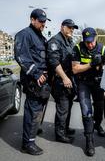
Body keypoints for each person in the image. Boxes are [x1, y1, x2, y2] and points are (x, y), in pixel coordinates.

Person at [14, 8, 51, 155]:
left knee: (39, 109)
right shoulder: (24, 34)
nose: (43, 24)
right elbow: (21, 56)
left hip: (43, 79)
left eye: (44, 21)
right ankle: (27, 144)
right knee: (33, 109)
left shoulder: (40, 37)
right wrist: (36, 73)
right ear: (32, 20)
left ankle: (33, 131)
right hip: (33, 80)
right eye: (41, 21)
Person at [72, 27, 105, 156]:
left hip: (98, 83)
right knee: (86, 112)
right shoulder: (77, 48)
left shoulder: (103, 49)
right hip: (83, 83)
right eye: (87, 42)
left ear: (96, 38)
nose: (90, 44)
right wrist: (91, 64)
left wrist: (102, 64)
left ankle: (97, 125)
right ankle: (89, 141)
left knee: (99, 108)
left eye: (92, 41)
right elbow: (75, 69)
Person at [47, 19, 78, 143]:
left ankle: (65, 127)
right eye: (69, 27)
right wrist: (64, 77)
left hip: (69, 80)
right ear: (62, 27)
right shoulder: (55, 41)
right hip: (60, 80)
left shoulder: (70, 41)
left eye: (73, 28)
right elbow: (54, 62)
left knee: (68, 106)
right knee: (63, 108)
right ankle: (60, 134)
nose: (71, 30)